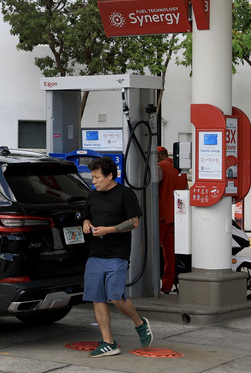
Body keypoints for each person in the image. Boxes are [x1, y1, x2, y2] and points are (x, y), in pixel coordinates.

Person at [81, 156, 153, 358]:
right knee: (97, 297)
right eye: (92, 177)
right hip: (95, 254)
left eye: (96, 177)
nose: (93, 181)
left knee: (116, 296)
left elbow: (133, 222)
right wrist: (86, 223)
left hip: (117, 254)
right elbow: (86, 215)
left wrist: (108, 230)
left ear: (110, 175)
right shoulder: (93, 195)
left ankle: (140, 323)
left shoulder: (125, 194)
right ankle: (108, 343)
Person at [157, 146, 188, 294]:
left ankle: (149, 286)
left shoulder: (159, 167)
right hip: (177, 217)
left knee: (150, 252)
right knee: (170, 256)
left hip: (161, 217)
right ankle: (166, 287)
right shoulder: (181, 170)